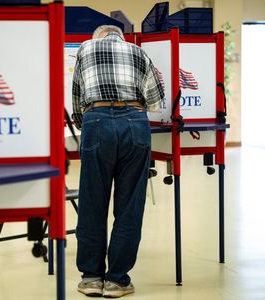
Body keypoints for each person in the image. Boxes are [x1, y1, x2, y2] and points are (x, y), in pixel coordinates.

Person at [72, 25, 164, 298]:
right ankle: (117, 281)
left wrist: (86, 121)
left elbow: (77, 96)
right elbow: (156, 100)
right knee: (129, 206)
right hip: (135, 123)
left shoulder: (85, 48)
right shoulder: (139, 52)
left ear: (98, 36)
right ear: (121, 38)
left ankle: (90, 278)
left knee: (92, 201)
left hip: (96, 119)